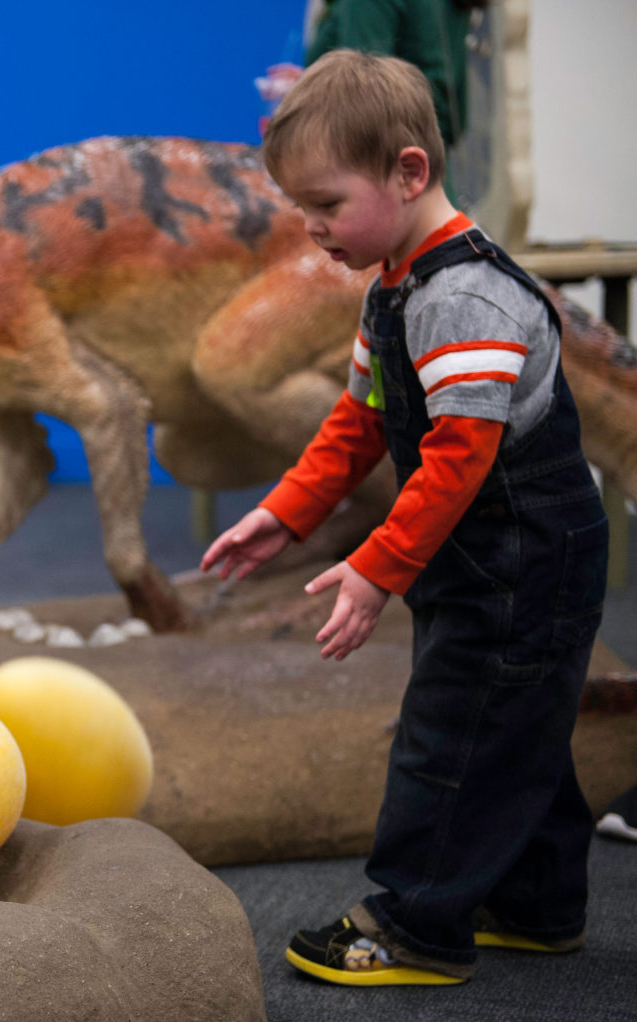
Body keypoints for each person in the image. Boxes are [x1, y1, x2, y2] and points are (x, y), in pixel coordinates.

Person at [202, 50, 608, 986]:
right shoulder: (394, 284)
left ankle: (415, 925)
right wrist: (287, 513)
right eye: (303, 210)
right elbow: (362, 420)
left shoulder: (463, 299)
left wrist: (378, 566)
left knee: (454, 733)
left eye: (328, 206)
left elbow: (459, 460)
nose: (314, 231)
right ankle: (537, 905)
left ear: (408, 172)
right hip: (487, 553)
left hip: (526, 554)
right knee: (516, 723)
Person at [302, 0, 490, 203]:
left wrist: (309, 99)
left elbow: (359, 99)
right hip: (432, 182)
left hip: (384, 186)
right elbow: (457, 116)